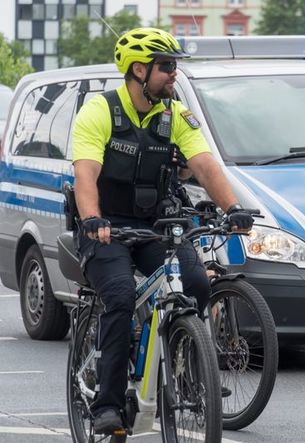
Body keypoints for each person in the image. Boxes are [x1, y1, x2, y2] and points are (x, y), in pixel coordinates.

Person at [71, 27, 254, 435]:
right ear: (139, 70)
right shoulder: (99, 111)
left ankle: (190, 371)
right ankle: (107, 404)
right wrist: (92, 220)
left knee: (195, 283)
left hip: (156, 226)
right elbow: (86, 175)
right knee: (119, 295)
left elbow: (205, 165)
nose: (174, 74)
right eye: (167, 66)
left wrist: (234, 208)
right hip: (105, 228)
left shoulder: (175, 114)